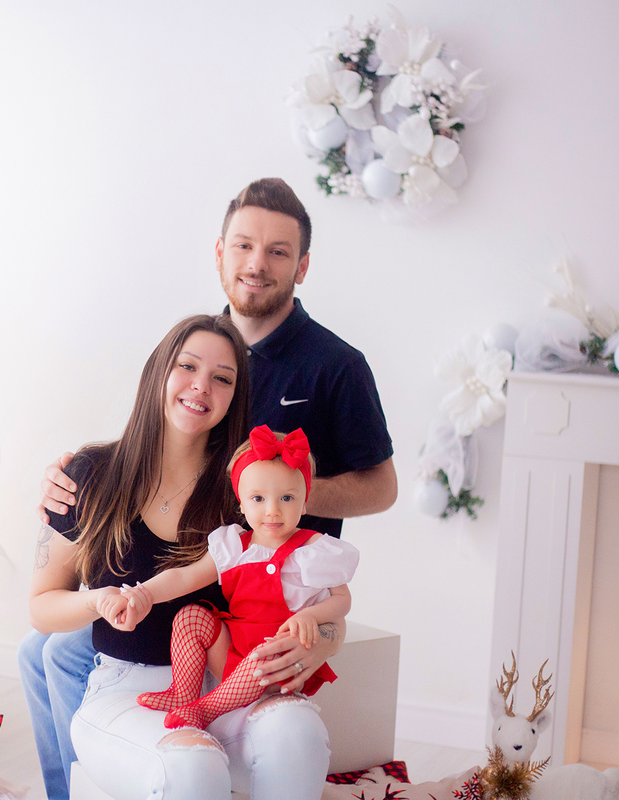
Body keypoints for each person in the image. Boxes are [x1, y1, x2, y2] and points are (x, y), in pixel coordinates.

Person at [21, 178, 396, 799]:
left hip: (264, 590)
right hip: (162, 594)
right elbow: (142, 448)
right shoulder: (201, 341)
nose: (257, 263)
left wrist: (278, 502)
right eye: (244, 245)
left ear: (303, 267)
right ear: (219, 252)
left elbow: (380, 489)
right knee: (43, 651)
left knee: (65, 655)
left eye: (278, 251)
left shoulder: (334, 366)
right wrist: (73, 482)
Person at [29, 314, 334, 800]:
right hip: (124, 688)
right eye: (187, 366)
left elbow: (318, 598)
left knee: (296, 733)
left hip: (222, 687)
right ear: (159, 371)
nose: (201, 386)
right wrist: (99, 601)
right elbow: (42, 605)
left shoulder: (247, 490)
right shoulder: (89, 473)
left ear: (236, 395)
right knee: (193, 769)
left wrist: (322, 641)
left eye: (222, 378)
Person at [99, 425, 359, 732]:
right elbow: (185, 578)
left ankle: (207, 708)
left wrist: (311, 616)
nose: (273, 510)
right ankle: (183, 693)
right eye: (258, 498)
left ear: (305, 502)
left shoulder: (314, 549)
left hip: (280, 665)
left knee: (270, 648)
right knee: (190, 616)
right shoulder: (235, 546)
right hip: (234, 656)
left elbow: (343, 600)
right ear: (241, 503)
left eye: (287, 498)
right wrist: (144, 594)